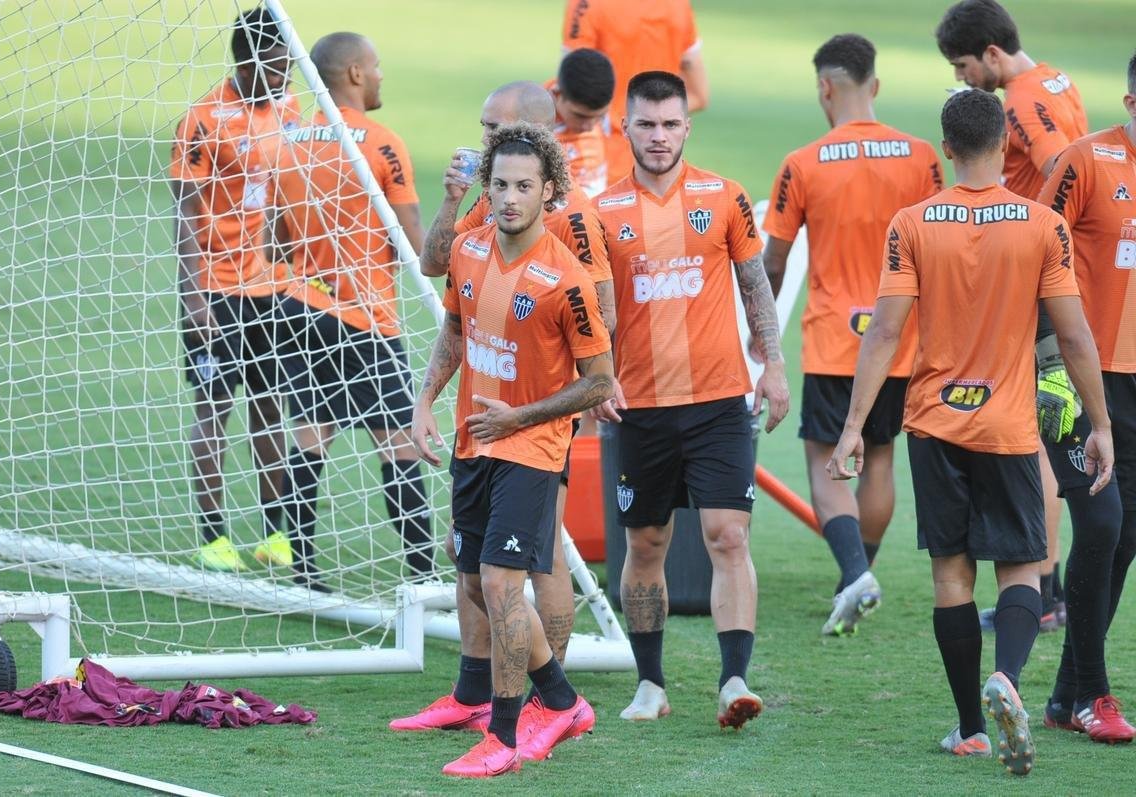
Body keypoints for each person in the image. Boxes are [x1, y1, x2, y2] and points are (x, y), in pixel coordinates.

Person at [829, 89, 1113, 775]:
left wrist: (854, 426)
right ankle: (1007, 677)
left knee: (951, 574)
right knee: (1021, 566)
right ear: (1003, 145)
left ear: (947, 147)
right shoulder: (1043, 224)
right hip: (1009, 426)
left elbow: (885, 331)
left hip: (934, 423)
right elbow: (1074, 334)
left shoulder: (912, 223)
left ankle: (969, 729)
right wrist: (1099, 422)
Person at [393, 81, 614, 739]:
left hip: (536, 428)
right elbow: (450, 297)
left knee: (527, 567)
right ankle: (483, 692)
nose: (484, 141)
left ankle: (535, 712)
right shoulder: (479, 231)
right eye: (487, 132)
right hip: (477, 432)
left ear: (546, 180)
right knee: (474, 570)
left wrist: (544, 406)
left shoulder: (570, 236)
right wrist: (426, 399)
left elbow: (598, 329)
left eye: (495, 129)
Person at [593, 71, 788, 728]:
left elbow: (755, 285)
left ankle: (734, 680)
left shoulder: (724, 197)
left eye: (670, 124)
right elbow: (589, 309)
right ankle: (651, 684)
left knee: (728, 535)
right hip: (640, 407)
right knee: (647, 543)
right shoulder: (599, 212)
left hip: (718, 401)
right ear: (626, 126)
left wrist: (774, 364)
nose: (659, 136)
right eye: (646, 124)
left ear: (687, 127)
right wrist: (597, 376)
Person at [761, 34, 943, 636]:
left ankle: (855, 573)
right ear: (876, 85)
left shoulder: (803, 162)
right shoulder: (921, 156)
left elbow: (774, 262)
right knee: (880, 457)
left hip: (834, 340)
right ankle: (857, 575)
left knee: (826, 460)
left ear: (825, 87)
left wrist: (759, 331)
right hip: (899, 339)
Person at [937, 0, 1090, 629]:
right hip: (1061, 277)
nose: (962, 78)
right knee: (1054, 430)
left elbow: (1060, 167)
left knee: (1037, 438)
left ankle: (1043, 593)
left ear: (992, 54)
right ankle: (1052, 591)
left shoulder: (1021, 100)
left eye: (964, 66)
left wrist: (1029, 238)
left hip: (1033, 283)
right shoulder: (1057, 79)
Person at [269, 32, 433, 587]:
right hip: (366, 319)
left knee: (310, 438)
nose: (381, 75)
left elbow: (274, 243)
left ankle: (304, 570)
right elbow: (416, 244)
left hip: (300, 310)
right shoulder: (382, 143)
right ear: (356, 74)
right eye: (377, 65)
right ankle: (423, 576)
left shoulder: (288, 141)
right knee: (400, 444)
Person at [168, 8, 300, 572]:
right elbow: (184, 213)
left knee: (271, 409)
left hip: (271, 289)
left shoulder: (289, 109)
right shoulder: (201, 120)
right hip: (216, 291)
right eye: (276, 67)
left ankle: (276, 533)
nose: (286, 78)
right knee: (215, 408)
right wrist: (193, 297)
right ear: (247, 64)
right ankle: (214, 538)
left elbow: (289, 197)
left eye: (289, 67)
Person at [1031, 51, 1136, 743]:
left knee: (1123, 538)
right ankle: (1095, 695)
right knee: (1100, 527)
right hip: (1081, 377)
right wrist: (1049, 367)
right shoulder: (1086, 161)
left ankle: (1068, 695)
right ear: (1130, 103)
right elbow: (1030, 251)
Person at [561, 0, 707, 185]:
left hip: (601, 163)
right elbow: (699, 96)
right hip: (658, 164)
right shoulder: (678, 5)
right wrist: (656, 119)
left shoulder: (586, 4)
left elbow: (573, 80)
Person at [548, 48, 615, 198]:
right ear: (557, 94)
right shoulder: (529, 121)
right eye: (580, 116)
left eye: (600, 116)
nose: (589, 126)